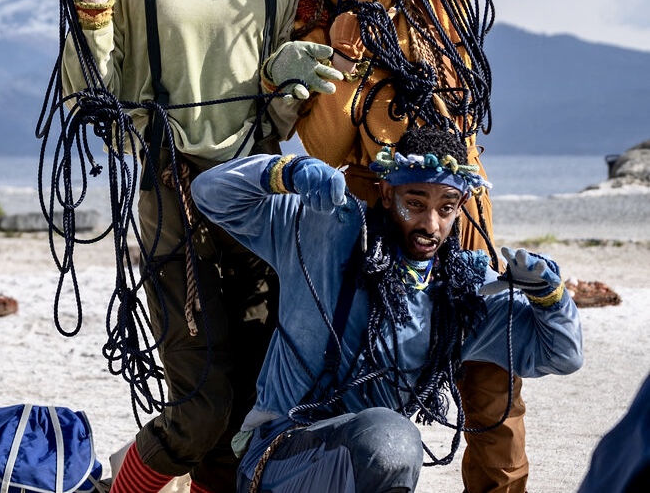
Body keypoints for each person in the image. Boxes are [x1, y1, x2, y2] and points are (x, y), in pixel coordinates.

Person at [40, 0, 341, 493]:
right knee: (202, 408)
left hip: (259, 192)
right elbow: (92, 96)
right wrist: (90, 13)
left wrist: (281, 79)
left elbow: (287, 108)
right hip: (168, 190)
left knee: (251, 407)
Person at [287, 0, 530, 491]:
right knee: (378, 383)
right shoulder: (316, 42)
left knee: (493, 382)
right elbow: (326, 149)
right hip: (388, 238)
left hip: (464, 220)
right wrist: (344, 58)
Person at [192, 124, 584, 493]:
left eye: (446, 208)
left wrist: (549, 297)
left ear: (462, 205)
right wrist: (285, 171)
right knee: (390, 440)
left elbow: (563, 355)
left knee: (391, 442)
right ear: (386, 193)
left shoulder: (463, 294)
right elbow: (209, 192)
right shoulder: (324, 229)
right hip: (281, 459)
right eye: (415, 203)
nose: (430, 224)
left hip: (374, 461)